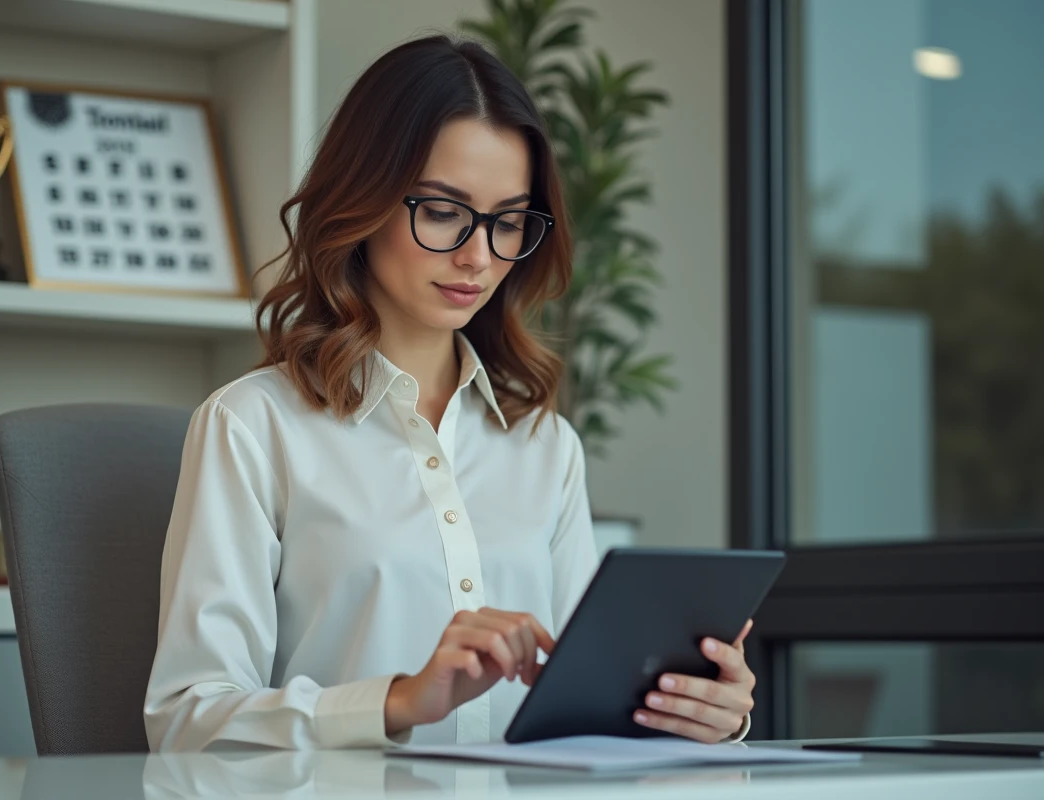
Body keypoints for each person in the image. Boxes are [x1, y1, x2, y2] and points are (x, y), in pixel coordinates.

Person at [144, 34, 755, 752]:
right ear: (362, 200)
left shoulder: (544, 445)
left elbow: (590, 705)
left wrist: (704, 714)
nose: (478, 255)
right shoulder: (251, 427)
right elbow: (187, 720)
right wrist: (398, 702)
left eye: (508, 222)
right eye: (441, 211)